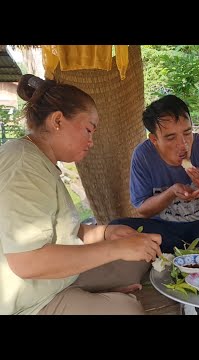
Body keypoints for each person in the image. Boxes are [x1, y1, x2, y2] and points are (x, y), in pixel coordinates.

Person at [0, 74, 162, 315]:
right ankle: (98, 298)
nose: (91, 141)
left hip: (55, 279)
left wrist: (106, 232)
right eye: (88, 129)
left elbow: (61, 230)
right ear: (57, 121)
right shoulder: (23, 167)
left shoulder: (39, 160)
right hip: (28, 298)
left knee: (139, 259)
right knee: (128, 309)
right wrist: (117, 249)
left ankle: (91, 296)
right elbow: (27, 262)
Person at [110, 95, 199, 253]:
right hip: (163, 228)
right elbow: (143, 209)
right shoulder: (143, 155)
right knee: (115, 227)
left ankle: (173, 253)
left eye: (187, 133)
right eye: (171, 137)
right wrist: (172, 193)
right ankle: (181, 252)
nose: (183, 145)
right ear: (154, 139)